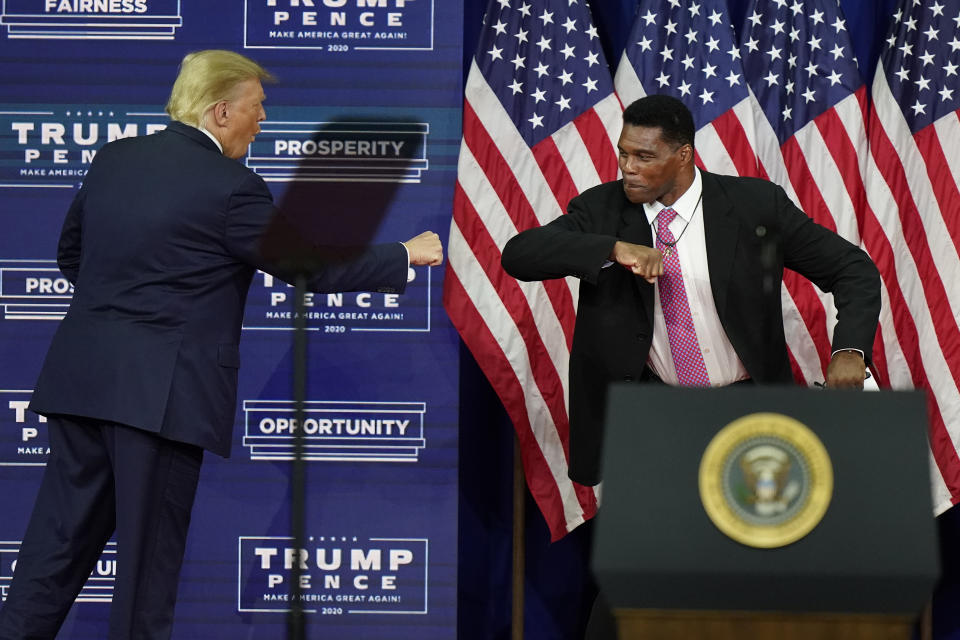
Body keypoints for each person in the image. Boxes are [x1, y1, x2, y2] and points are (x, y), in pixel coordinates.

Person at [0, 50, 443, 640]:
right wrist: (402, 256)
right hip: (159, 402)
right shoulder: (231, 188)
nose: (263, 121)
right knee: (144, 578)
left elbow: (70, 257)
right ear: (220, 111)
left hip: (80, 386)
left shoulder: (114, 159)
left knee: (51, 555)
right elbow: (308, 266)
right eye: (257, 108)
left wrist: (128, 317)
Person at [501, 93, 881, 489]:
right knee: (659, 548)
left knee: (752, 543)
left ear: (683, 156)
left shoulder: (754, 205)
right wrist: (612, 248)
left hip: (748, 410)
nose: (628, 168)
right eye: (623, 154)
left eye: (644, 157)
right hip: (652, 417)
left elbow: (853, 269)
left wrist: (849, 349)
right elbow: (519, 256)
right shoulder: (601, 211)